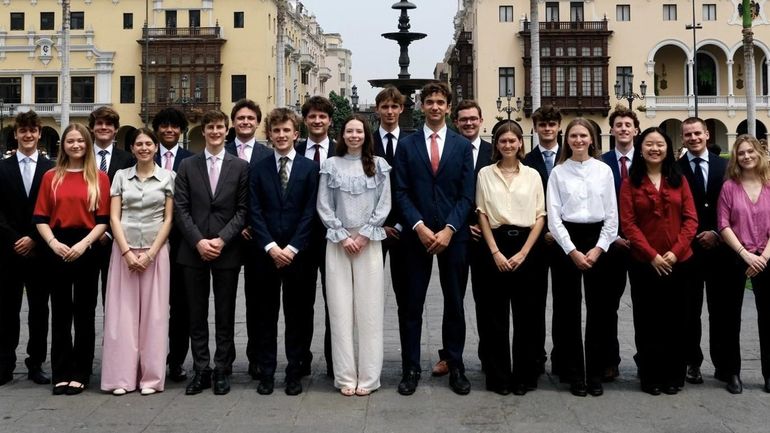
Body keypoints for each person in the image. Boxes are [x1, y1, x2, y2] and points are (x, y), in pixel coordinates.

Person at [394, 82, 475, 395]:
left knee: (454, 303)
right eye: (429, 101)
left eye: (441, 101)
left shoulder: (461, 146)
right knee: (411, 305)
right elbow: (400, 191)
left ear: (448, 106)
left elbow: (466, 195)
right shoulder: (407, 145)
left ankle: (455, 365)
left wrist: (450, 229)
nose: (435, 107)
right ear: (421, 105)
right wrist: (419, 225)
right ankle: (410, 368)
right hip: (417, 237)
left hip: (453, 237)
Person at [174, 110, 249, 396]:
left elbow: (243, 210)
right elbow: (180, 208)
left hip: (226, 251)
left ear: (227, 131)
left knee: (225, 313)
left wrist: (220, 240)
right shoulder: (188, 165)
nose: (215, 131)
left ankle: (222, 369)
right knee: (196, 314)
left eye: (220, 127)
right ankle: (201, 369)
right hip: (193, 251)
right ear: (203, 131)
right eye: (210, 127)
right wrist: (198, 242)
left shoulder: (240, 166)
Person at [317, 114, 391, 396]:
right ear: (342, 135)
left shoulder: (379, 165)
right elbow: (323, 205)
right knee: (339, 310)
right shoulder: (330, 165)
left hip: (369, 241)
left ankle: (369, 378)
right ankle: (345, 376)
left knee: (370, 311)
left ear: (366, 135)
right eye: (349, 131)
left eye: (359, 131)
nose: (354, 136)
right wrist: (342, 234)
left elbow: (385, 204)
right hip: (337, 242)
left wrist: (363, 234)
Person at [33, 123, 110, 395]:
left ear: (88, 144)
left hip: (87, 246)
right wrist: (53, 243)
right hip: (57, 246)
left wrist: (84, 244)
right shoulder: (50, 176)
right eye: (70, 141)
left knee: (85, 313)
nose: (75, 145)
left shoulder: (99, 177)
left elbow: (103, 220)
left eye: (80, 141)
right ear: (62, 145)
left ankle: (81, 371)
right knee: (61, 312)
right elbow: (40, 217)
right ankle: (62, 371)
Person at [620, 127, 698, 395]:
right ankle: (651, 376)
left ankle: (673, 375)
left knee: (677, 320)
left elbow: (691, 220)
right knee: (647, 320)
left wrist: (675, 252)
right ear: (640, 149)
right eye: (649, 144)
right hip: (644, 263)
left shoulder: (679, 180)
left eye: (660, 144)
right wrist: (652, 255)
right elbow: (628, 224)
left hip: (679, 262)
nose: (655, 149)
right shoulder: (630, 183)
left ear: (668, 149)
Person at [546, 118, 618, 397]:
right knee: (567, 311)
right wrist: (572, 250)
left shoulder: (604, 171)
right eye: (573, 136)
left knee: (599, 311)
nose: (578, 140)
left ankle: (595, 373)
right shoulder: (558, 173)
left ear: (592, 140)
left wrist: (599, 248)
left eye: (583, 136)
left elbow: (612, 215)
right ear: (567, 140)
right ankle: (573, 372)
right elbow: (554, 217)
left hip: (598, 240)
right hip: (568, 242)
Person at [250, 108, 319, 396]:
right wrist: (270, 246)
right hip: (265, 256)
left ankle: (294, 370)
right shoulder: (258, 168)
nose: (281, 135)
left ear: (296, 134)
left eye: (286, 130)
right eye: (276, 131)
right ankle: (267, 372)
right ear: (269, 134)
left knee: (298, 315)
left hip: (298, 255)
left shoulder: (309, 168)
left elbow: (310, 211)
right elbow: (253, 210)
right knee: (265, 315)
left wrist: (291, 248)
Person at [101, 128, 175, 396]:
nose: (144, 148)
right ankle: (121, 378)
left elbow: (168, 219)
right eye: (138, 144)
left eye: (148, 143)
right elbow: (114, 218)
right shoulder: (121, 176)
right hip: (125, 252)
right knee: (122, 317)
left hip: (155, 252)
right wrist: (126, 252)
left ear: (156, 147)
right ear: (132, 149)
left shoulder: (168, 177)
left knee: (154, 317)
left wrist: (151, 254)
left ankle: (151, 379)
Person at [476, 121, 545, 395]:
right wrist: (494, 251)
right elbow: (481, 212)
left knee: (527, 315)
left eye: (512, 141)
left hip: (527, 245)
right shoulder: (484, 174)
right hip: (494, 243)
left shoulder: (533, 175)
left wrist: (524, 253)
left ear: (520, 144)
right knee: (493, 316)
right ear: (496, 145)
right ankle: (498, 376)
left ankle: (524, 376)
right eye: (502, 141)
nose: (508, 145)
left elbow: (541, 215)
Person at [432, 99, 494, 377]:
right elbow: (448, 192)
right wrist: (461, 224)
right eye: (464, 119)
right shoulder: (450, 149)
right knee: (453, 299)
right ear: (455, 121)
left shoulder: (494, 152)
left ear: (481, 121)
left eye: (473, 119)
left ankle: (489, 355)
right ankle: (450, 356)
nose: (469, 123)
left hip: (486, 239)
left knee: (487, 299)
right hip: (457, 234)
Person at [0, 110, 55, 386]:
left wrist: (34, 237)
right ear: (16, 134)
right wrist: (14, 239)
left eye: (33, 130)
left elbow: (55, 211)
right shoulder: (2, 168)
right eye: (23, 131)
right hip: (8, 252)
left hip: (40, 250)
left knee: (39, 311)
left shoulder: (51, 169)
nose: (28, 135)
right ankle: (5, 364)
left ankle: (36, 364)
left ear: (39, 133)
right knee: (6, 311)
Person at [678, 117, 730, 386]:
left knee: (721, 311)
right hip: (690, 251)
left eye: (697, 133)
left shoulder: (726, 166)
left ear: (707, 134)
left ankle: (725, 366)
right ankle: (692, 363)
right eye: (688, 134)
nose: (693, 138)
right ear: (683, 137)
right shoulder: (676, 169)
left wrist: (718, 234)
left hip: (721, 249)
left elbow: (733, 204)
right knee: (690, 311)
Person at [717, 135, 770, 394]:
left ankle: (769, 374)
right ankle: (732, 373)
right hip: (735, 258)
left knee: (769, 318)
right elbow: (723, 224)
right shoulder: (729, 187)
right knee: (730, 318)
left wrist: (763, 257)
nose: (746, 156)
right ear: (736, 158)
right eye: (741, 153)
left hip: (768, 259)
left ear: (758, 153)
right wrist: (745, 255)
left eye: (750, 151)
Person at [224, 99, 272, 381]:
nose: (245, 122)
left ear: (257, 123)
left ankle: (256, 357)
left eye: (250, 118)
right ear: (234, 122)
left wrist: (253, 225)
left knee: (258, 303)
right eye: (240, 118)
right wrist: (234, 226)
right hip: (228, 238)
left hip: (257, 238)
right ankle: (226, 359)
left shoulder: (267, 155)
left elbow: (268, 197)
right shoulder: (222, 151)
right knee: (226, 302)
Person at [152, 107, 194, 383]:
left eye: (174, 126)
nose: (169, 130)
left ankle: (176, 360)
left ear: (181, 130)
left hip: (182, 243)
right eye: (164, 126)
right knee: (151, 305)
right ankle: (150, 358)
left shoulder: (191, 160)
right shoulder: (144, 154)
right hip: (149, 243)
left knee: (181, 306)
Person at [295, 95, 335, 377]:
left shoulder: (342, 150)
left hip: (334, 237)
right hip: (301, 238)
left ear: (330, 121)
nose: (317, 121)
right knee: (301, 303)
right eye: (312, 116)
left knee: (335, 301)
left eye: (322, 116)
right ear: (305, 120)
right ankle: (301, 359)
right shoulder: (294, 150)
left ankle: (336, 360)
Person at [598, 105, 639, 381]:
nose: (623, 129)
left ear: (636, 129)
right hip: (611, 246)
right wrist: (612, 238)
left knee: (646, 306)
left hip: (642, 247)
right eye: (619, 125)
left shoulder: (649, 160)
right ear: (611, 130)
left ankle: (646, 359)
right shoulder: (601, 164)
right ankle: (609, 360)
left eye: (628, 125)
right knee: (606, 307)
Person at [522, 105, 562, 376]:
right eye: (542, 125)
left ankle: (561, 357)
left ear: (559, 126)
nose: (547, 129)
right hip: (535, 241)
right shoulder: (527, 161)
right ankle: (534, 356)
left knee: (563, 303)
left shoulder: (570, 157)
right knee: (533, 303)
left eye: (551, 124)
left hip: (563, 241)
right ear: (535, 128)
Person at [371, 88, 409, 370]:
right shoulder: (365, 142)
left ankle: (409, 362)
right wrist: (378, 225)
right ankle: (369, 360)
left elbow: (413, 188)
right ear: (377, 110)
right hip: (372, 231)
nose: (390, 111)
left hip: (403, 231)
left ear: (402, 110)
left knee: (406, 299)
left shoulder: (411, 143)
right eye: (385, 106)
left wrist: (397, 223)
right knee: (368, 297)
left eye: (395, 106)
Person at [88, 107, 135, 302]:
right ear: (91, 128)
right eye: (99, 123)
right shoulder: (81, 157)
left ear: (116, 129)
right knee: (85, 301)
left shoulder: (128, 159)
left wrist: (108, 232)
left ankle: (112, 334)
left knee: (115, 299)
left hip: (115, 238)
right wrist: (93, 233)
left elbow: (129, 200)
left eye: (109, 124)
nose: (104, 127)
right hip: (86, 237)